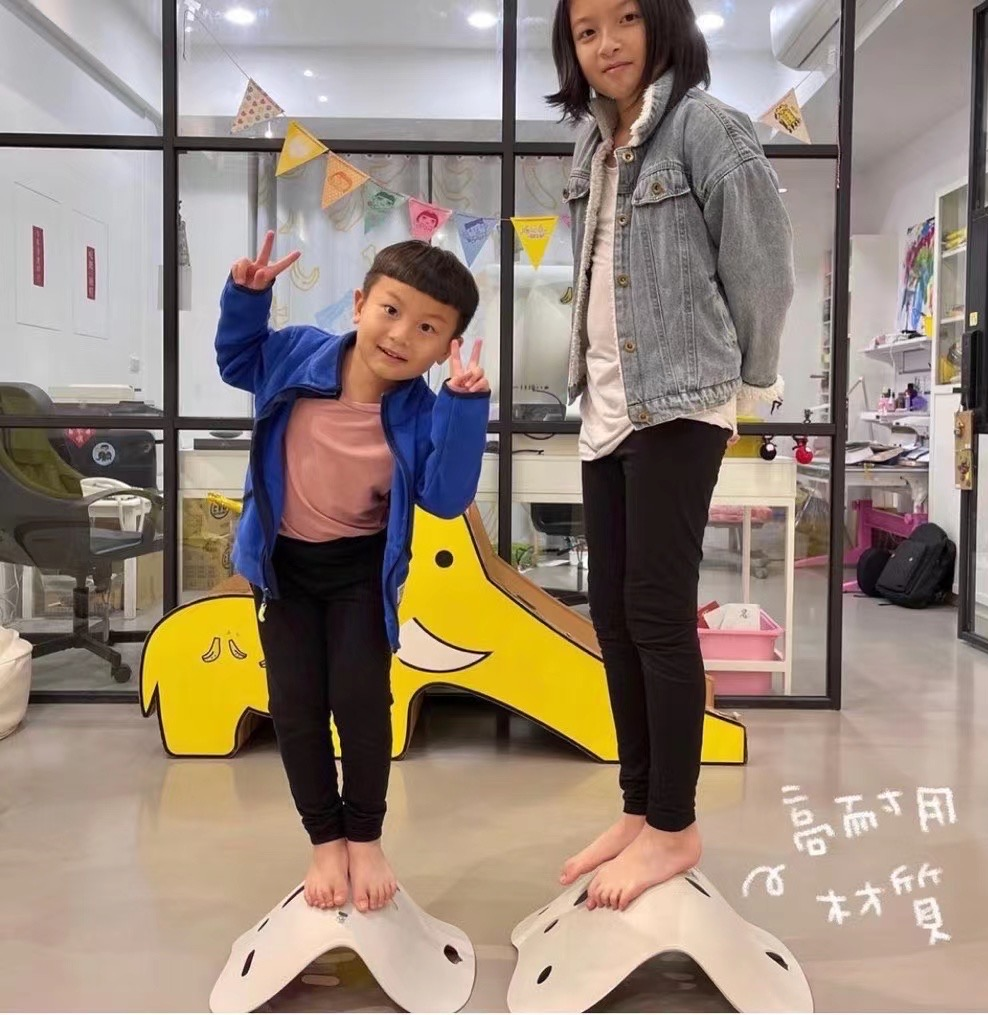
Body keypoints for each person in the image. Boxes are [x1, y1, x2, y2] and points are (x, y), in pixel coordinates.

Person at [547, 0, 795, 910]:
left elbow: (762, 270)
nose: (606, 43)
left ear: (664, 24)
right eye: (586, 31)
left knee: (656, 612)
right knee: (613, 615)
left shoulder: (706, 128)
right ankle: (639, 807)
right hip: (607, 406)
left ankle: (675, 824)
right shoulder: (593, 146)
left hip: (681, 401)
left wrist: (750, 387)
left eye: (625, 19)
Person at [215, 234, 490, 914]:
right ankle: (324, 840)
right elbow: (236, 360)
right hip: (282, 569)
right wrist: (247, 297)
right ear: (361, 303)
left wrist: (463, 408)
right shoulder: (295, 354)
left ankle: (364, 837)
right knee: (296, 707)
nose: (400, 336)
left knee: (364, 706)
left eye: (427, 328)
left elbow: (444, 497)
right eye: (391, 311)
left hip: (360, 571)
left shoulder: (424, 410)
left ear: (446, 347)